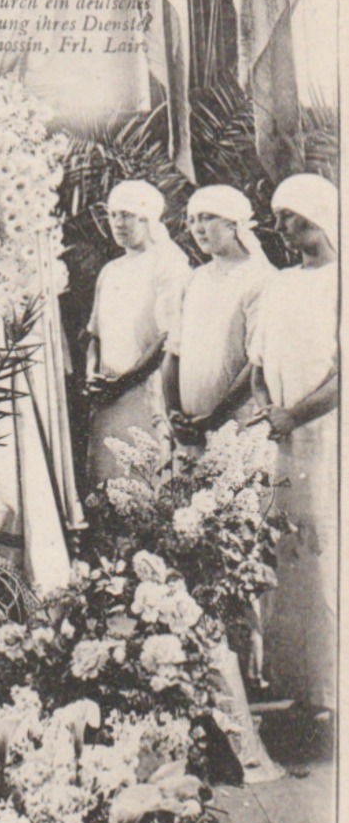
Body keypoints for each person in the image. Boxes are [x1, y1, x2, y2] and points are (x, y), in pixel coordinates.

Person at [249, 174, 338, 714]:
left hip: (329, 441)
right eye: (277, 217)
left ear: (318, 217)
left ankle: (333, 687)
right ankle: (296, 682)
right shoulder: (280, 285)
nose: (279, 227)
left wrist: (295, 414)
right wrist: (268, 412)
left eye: (289, 216)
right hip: (281, 445)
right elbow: (258, 361)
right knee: (287, 555)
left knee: (328, 553)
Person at [85, 180, 191, 486]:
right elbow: (95, 334)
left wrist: (126, 380)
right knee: (108, 484)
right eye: (114, 215)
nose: (119, 223)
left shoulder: (169, 264)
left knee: (147, 481)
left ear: (147, 219)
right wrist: (92, 376)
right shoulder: (110, 271)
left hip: (148, 390)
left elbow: (168, 337)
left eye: (128, 215)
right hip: (107, 395)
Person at [163, 185, 276, 451]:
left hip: (238, 426)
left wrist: (216, 418)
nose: (198, 228)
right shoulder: (195, 280)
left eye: (207, 217)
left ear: (233, 223)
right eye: (192, 220)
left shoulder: (262, 278)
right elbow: (173, 351)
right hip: (190, 429)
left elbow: (258, 361)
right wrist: (173, 412)